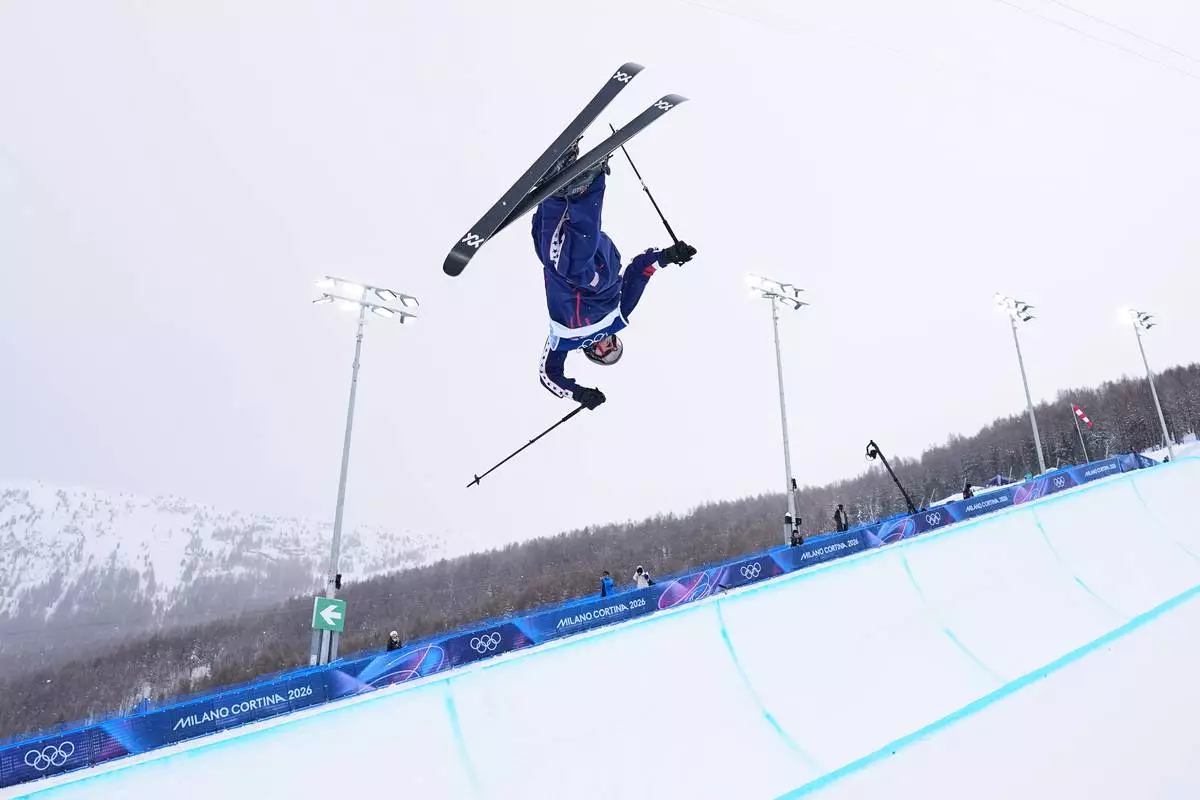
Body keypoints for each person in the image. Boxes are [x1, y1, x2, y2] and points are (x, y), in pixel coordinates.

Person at [531, 143, 697, 408]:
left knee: (544, 246)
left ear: (590, 353)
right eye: (613, 347)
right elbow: (640, 272)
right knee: (569, 265)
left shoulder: (564, 339)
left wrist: (579, 393)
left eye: (603, 353)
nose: (606, 346)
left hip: (566, 261)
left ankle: (557, 186)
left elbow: (548, 374)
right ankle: (586, 185)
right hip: (598, 271)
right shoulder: (618, 317)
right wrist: (668, 255)